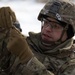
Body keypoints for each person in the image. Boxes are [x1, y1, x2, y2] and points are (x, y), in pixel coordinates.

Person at [0, 0, 75, 75]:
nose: (47, 29)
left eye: (55, 26)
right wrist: (3, 30)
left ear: (69, 32)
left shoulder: (71, 63)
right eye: (46, 22)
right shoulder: (22, 43)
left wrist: (27, 59)